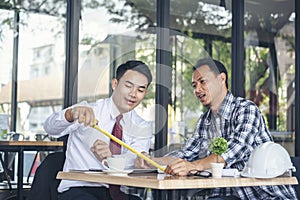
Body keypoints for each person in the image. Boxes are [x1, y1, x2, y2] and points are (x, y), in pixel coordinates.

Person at [135, 58, 297, 199]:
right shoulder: (204, 121)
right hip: (230, 195)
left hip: (265, 195)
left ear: (221, 79)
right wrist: (153, 162)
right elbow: (184, 154)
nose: (197, 89)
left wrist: (194, 166)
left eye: (202, 82)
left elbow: (234, 150)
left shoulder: (246, 110)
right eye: (194, 85)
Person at [44, 60, 153, 200]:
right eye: (128, 86)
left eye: (140, 90)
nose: (133, 94)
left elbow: (134, 162)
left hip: (118, 193)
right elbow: (50, 127)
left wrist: (112, 160)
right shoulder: (88, 110)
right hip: (79, 188)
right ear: (115, 84)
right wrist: (70, 114)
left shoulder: (142, 126)